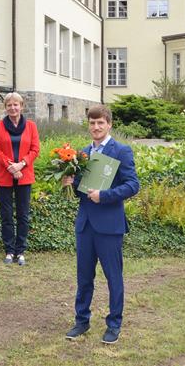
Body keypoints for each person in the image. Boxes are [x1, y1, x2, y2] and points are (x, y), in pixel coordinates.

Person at [62, 104, 140, 344]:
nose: (96, 127)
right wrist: (70, 182)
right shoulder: (82, 152)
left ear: (109, 124)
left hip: (109, 226)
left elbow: (132, 185)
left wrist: (104, 196)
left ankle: (114, 324)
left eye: (100, 123)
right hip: (85, 225)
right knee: (84, 277)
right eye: (92, 123)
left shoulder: (121, 151)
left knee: (113, 277)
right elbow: (81, 190)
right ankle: (81, 320)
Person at [0, 92, 40, 266]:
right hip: (4, 175)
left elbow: (35, 149)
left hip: (24, 175)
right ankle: (9, 251)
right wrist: (11, 166)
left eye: (15, 104)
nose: (13, 108)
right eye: (9, 105)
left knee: (23, 215)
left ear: (22, 106)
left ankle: (21, 251)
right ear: (5, 108)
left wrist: (21, 165)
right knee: (6, 216)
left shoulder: (31, 126)